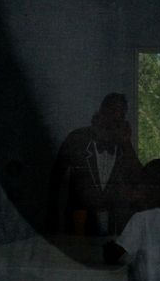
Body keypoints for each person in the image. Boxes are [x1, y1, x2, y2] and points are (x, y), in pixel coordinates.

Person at [49, 92, 143, 236]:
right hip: (77, 228)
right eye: (111, 111)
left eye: (120, 115)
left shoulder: (124, 149)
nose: (114, 118)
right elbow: (56, 182)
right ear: (100, 112)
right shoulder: (77, 140)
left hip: (113, 230)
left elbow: (140, 183)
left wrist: (126, 143)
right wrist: (55, 223)